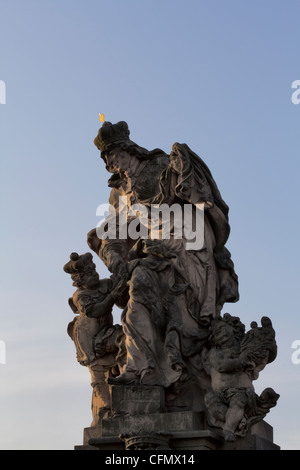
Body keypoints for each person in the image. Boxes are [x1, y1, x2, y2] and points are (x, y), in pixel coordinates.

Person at [87, 121, 239, 396]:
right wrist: (115, 259)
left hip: (187, 242)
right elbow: (114, 233)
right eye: (107, 162)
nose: (111, 165)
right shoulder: (120, 193)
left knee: (181, 306)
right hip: (155, 252)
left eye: (112, 157)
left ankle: (178, 354)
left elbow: (188, 192)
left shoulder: (159, 166)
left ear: (126, 149)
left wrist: (185, 171)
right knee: (139, 285)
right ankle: (140, 369)